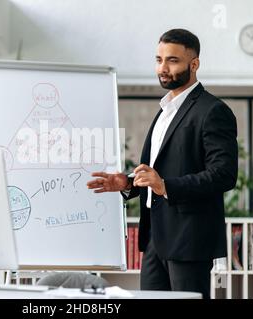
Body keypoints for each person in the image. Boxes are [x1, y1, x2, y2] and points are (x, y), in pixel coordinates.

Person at [87, 29, 238, 299]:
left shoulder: (212, 111)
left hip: (189, 239)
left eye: (172, 61)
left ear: (194, 64)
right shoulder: (164, 111)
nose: (162, 68)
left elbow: (223, 175)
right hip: (155, 238)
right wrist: (127, 183)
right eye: (158, 59)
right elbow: (157, 172)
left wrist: (165, 185)